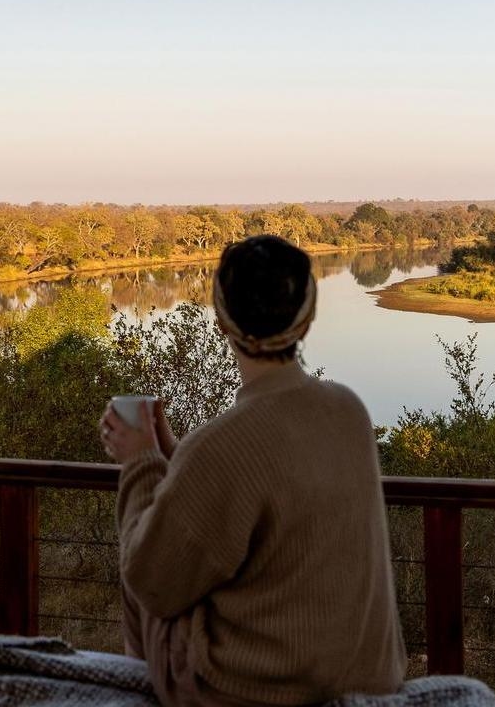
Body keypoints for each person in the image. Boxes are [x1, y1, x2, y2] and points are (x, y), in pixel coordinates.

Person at [99, 235, 406, 707]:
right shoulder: (349, 411)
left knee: (140, 559)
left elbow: (154, 582)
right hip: (367, 677)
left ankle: (143, 693)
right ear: (306, 320)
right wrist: (177, 459)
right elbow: (266, 488)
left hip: (254, 692)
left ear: (221, 319)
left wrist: (139, 462)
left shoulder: (220, 445)